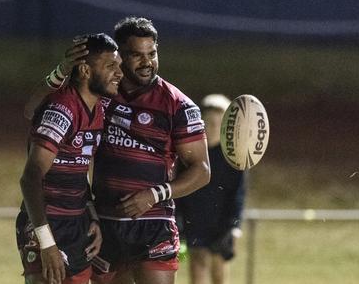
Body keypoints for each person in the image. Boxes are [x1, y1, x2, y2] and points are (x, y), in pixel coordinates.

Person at [29, 17, 210, 284]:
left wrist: (154, 194)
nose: (147, 62)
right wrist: (62, 69)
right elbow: (35, 110)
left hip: (153, 223)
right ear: (119, 57)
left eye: (152, 53)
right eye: (136, 55)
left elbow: (202, 171)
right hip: (105, 225)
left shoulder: (178, 105)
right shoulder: (101, 94)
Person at [17, 33, 123, 284]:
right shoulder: (62, 110)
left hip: (77, 224)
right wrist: (46, 243)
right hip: (46, 224)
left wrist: (91, 215)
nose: (119, 73)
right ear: (85, 70)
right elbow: (30, 178)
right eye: (111, 66)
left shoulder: (98, 108)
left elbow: (78, 169)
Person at [176, 94, 246, 284]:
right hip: (195, 220)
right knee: (198, 266)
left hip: (221, 222)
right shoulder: (192, 153)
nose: (213, 126)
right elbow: (180, 187)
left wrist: (234, 227)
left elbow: (238, 195)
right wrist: (178, 219)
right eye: (209, 121)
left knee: (219, 269)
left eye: (218, 122)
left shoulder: (234, 157)